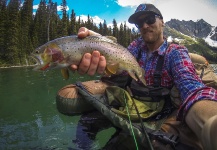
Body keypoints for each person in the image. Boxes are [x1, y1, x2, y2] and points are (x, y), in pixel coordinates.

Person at [71, 3, 217, 150]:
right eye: (140, 23)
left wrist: (210, 121)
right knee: (86, 122)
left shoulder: (176, 53)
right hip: (130, 103)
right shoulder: (136, 46)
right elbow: (119, 68)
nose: (145, 25)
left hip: (159, 114)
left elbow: (190, 86)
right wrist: (99, 45)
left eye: (150, 19)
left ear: (162, 21)